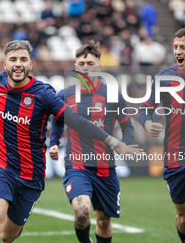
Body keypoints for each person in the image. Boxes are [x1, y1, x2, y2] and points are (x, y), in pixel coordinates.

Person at [0, 40, 143, 243]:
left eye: (23, 59)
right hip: (0, 168)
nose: (17, 63)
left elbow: (75, 121)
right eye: (12, 59)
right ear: (5, 64)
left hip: (31, 177)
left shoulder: (44, 94)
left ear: (30, 64)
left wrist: (112, 141)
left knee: (7, 236)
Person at [49, 40, 135, 243]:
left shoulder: (113, 95)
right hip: (77, 166)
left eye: (90, 63)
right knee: (81, 212)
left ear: (99, 66)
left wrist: (127, 144)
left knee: (103, 221)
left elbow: (127, 126)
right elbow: (57, 122)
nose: (85, 67)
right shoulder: (65, 95)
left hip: (106, 168)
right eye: (81, 63)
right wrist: (54, 142)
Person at [138, 27, 185, 243]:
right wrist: (148, 122)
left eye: (183, 47)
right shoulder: (165, 77)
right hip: (174, 158)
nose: (177, 51)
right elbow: (145, 108)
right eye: (175, 47)